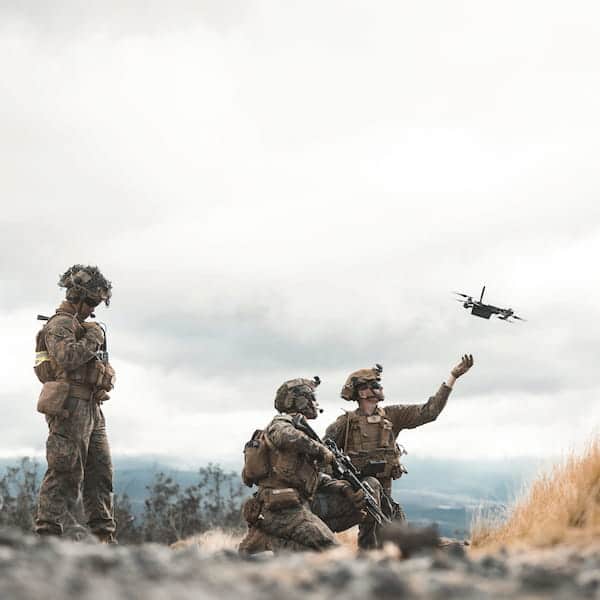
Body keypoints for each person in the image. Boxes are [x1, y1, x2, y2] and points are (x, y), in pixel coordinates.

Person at [314, 355, 474, 549]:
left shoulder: (391, 416)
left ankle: (445, 548)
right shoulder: (343, 424)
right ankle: (367, 557)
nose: (378, 389)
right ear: (361, 392)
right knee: (372, 520)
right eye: (373, 385)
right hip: (358, 494)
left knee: (398, 536)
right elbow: (322, 457)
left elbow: (429, 411)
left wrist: (452, 377)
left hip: (385, 494)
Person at [34, 265, 117, 543]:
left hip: (92, 407)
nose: (92, 309)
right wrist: (94, 337)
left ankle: (103, 537)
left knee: (100, 473)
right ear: (76, 296)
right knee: (64, 470)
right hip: (70, 406)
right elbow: (68, 358)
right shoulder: (58, 325)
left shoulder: (82, 325)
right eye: (91, 302)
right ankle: (48, 535)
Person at [238, 377, 344, 554]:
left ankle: (273, 541)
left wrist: (342, 487)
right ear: (300, 400)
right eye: (311, 397)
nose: (314, 402)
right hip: (283, 509)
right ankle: (269, 539)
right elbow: (284, 435)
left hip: (295, 504)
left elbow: (304, 476)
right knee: (332, 550)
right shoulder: (281, 423)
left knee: (352, 506)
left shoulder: (301, 429)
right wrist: (320, 450)